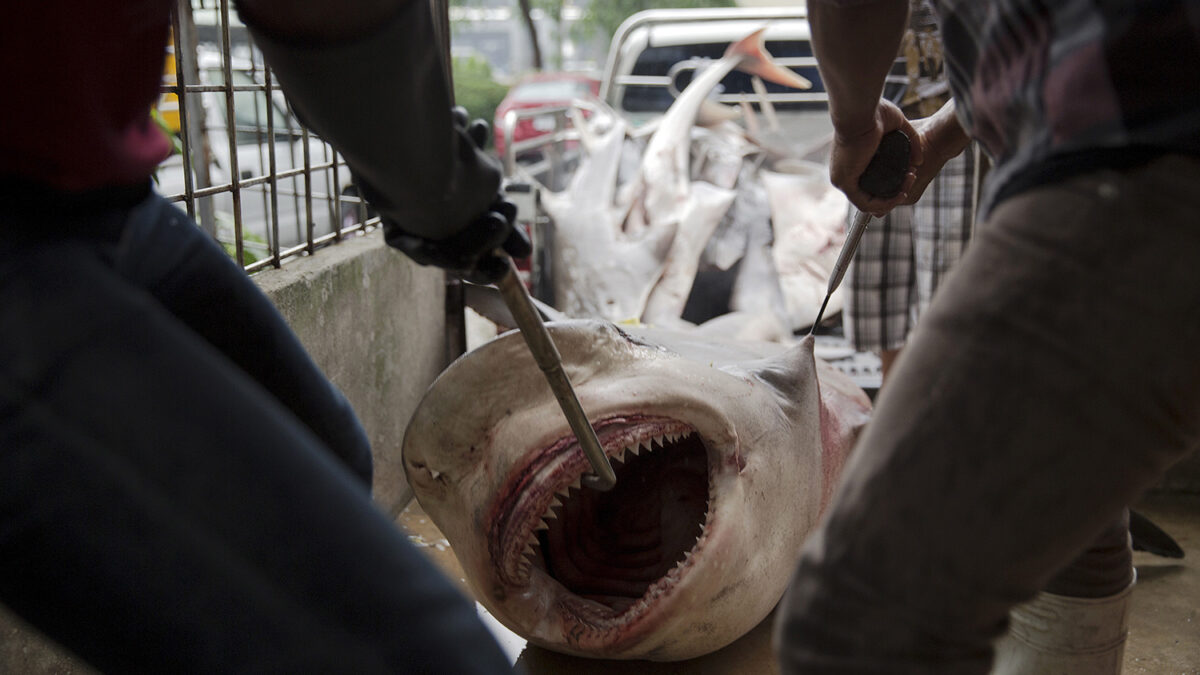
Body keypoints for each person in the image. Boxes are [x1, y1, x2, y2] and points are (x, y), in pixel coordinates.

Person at [1, 0, 525, 672]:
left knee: (329, 446)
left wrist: (433, 188)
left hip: (98, 197)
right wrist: (437, 188)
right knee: (427, 655)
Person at [776, 0, 1200, 673]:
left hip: (1140, 149)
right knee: (1074, 513)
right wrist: (944, 133)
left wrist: (853, 123)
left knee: (859, 612)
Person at [842, 0, 977, 383]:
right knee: (879, 277)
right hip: (878, 116)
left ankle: (941, 406)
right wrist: (852, 120)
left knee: (948, 286)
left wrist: (948, 133)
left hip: (965, 122)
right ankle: (892, 397)